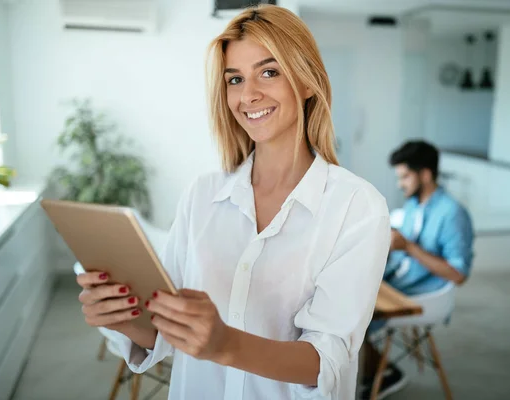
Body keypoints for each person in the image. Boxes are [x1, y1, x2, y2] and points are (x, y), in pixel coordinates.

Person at [75, 5, 391, 400]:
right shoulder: (202, 194)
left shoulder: (357, 207)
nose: (248, 94)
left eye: (269, 72)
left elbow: (328, 360)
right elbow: (162, 328)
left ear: (308, 81)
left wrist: (225, 344)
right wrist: (122, 318)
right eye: (235, 79)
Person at [362, 140, 474, 399]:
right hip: (400, 280)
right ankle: (379, 371)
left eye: (405, 177)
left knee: (355, 314)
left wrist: (409, 247)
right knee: (343, 297)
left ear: (425, 174)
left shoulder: (452, 214)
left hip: (425, 294)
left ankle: (381, 373)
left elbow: (459, 275)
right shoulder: (414, 204)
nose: (400, 184)